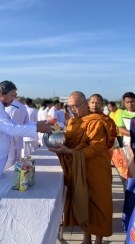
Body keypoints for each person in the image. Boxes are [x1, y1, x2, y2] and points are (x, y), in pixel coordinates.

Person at [49, 91, 113, 244]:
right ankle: (86, 239)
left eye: (76, 106)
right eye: (70, 107)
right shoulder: (72, 122)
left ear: (85, 104)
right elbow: (70, 140)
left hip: (96, 169)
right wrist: (59, 140)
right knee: (83, 203)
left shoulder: (97, 122)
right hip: (79, 169)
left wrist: (70, 151)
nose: (73, 109)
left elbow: (96, 148)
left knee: (99, 205)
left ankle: (98, 241)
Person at [0, 80, 52, 193]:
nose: (14, 99)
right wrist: (37, 128)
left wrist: (37, 124)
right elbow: (11, 129)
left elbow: (14, 126)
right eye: (12, 96)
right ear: (2, 93)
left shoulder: (0, 109)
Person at [12, 96, 29, 161]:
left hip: (6, 140)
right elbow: (26, 123)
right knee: (16, 161)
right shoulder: (23, 107)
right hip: (19, 138)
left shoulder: (4, 105)